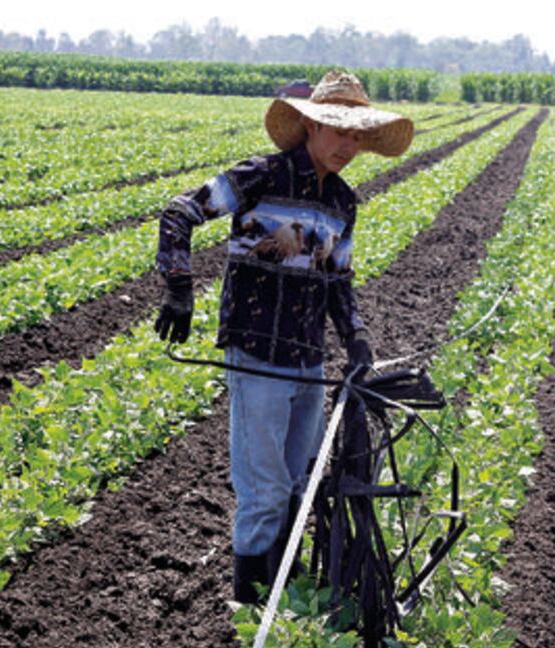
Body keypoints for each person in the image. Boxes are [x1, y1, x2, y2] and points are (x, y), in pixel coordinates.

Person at [152, 70, 414, 603]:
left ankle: (286, 599)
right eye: (338, 131)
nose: (348, 145)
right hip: (257, 355)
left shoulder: (342, 202)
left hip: (308, 360)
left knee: (299, 484)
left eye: (357, 135)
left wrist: (357, 338)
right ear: (310, 125)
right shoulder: (261, 177)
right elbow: (180, 212)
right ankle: (250, 610)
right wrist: (179, 285)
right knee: (265, 491)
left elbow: (338, 279)